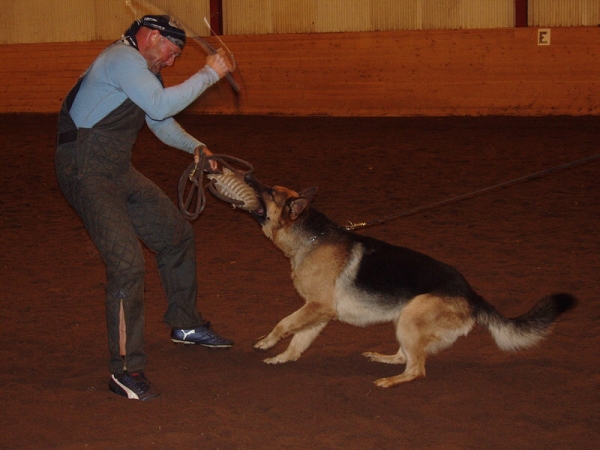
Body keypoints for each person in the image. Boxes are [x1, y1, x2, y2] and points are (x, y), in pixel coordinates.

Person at [55, 15, 235, 401]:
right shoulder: (122, 58)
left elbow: (159, 119)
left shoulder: (141, 71)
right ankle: (125, 370)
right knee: (126, 266)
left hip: (114, 169)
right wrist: (209, 73)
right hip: (85, 171)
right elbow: (159, 103)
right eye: (172, 53)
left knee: (175, 236)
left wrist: (195, 147)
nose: (171, 63)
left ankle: (184, 324)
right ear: (152, 36)